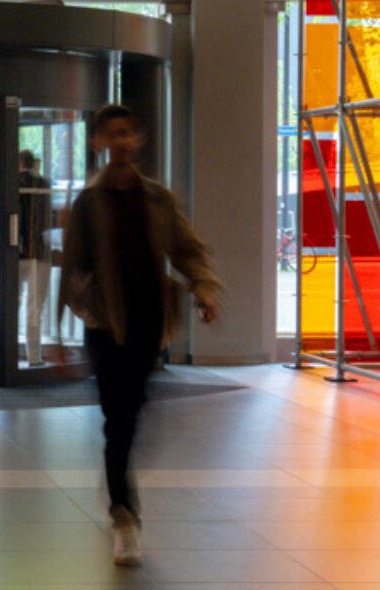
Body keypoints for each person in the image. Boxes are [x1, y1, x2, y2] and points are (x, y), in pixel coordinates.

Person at [60, 104, 220, 568]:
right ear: (98, 144)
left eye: (128, 133)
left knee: (133, 419)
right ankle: (124, 516)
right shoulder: (88, 204)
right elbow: (73, 270)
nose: (121, 142)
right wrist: (85, 312)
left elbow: (188, 250)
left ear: (139, 140)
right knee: (120, 421)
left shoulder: (158, 200)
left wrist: (204, 288)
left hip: (150, 325)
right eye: (112, 135)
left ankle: (116, 479)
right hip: (107, 327)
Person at [0, 148, 54, 362]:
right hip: (39, 253)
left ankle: (1, 352)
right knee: (35, 308)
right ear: (33, 162)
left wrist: (2, 249)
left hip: (13, 255)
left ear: (17, 163)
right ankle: (34, 356)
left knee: (9, 304)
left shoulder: (8, 184)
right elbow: (47, 220)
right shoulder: (44, 184)